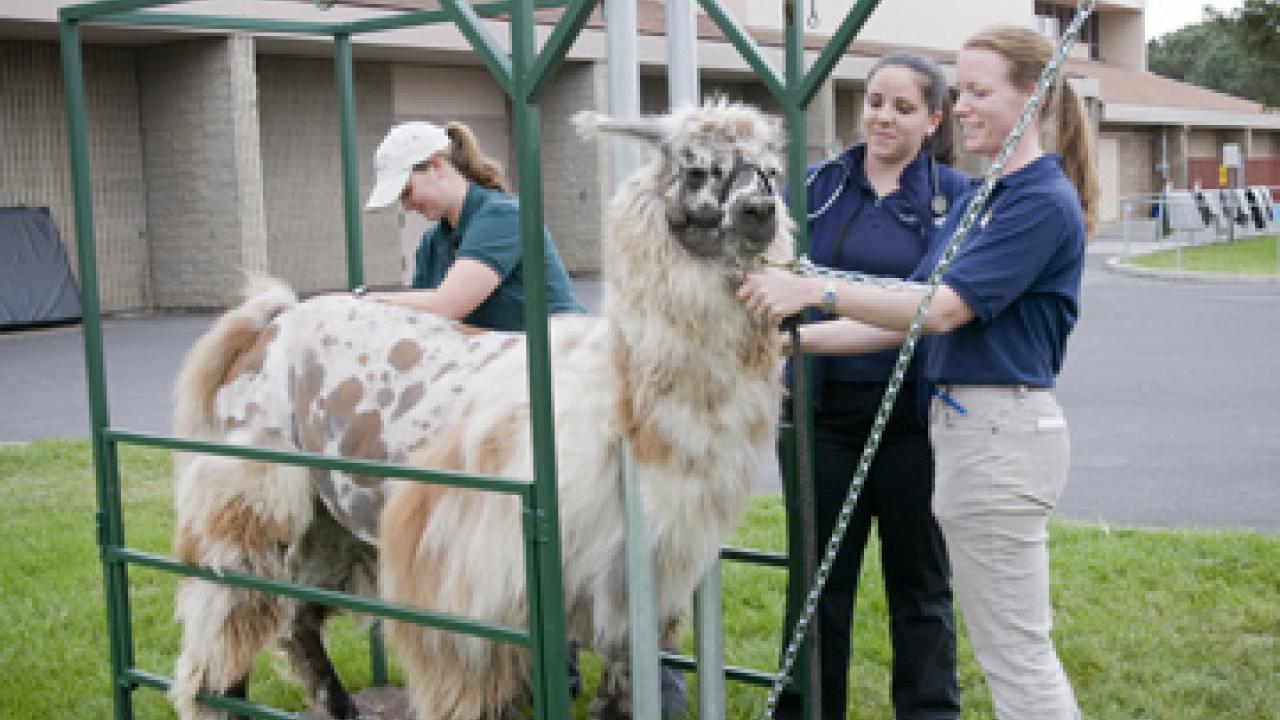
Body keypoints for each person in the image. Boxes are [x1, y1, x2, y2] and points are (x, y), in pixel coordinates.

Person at [741, 25, 1098, 720]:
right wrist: (789, 347)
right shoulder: (983, 197)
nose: (961, 107)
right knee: (1007, 654)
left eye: (978, 92)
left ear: (1034, 99)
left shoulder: (1035, 201)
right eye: (960, 91)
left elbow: (939, 312)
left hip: (997, 432)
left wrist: (812, 292)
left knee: (1016, 659)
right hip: (966, 429)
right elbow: (901, 313)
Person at [774, 52, 968, 720]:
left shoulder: (955, 199)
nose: (884, 117)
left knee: (921, 587)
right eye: (875, 101)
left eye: (904, 107)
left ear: (934, 118)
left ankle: (929, 711)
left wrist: (809, 328)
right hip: (823, 417)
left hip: (915, 420)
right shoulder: (815, 188)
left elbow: (930, 310)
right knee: (818, 586)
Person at [363, 119, 584, 328]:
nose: (407, 207)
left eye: (407, 192)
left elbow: (447, 305)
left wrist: (363, 302)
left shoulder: (504, 217)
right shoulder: (432, 243)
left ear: (436, 166)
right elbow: (419, 319)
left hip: (555, 359)